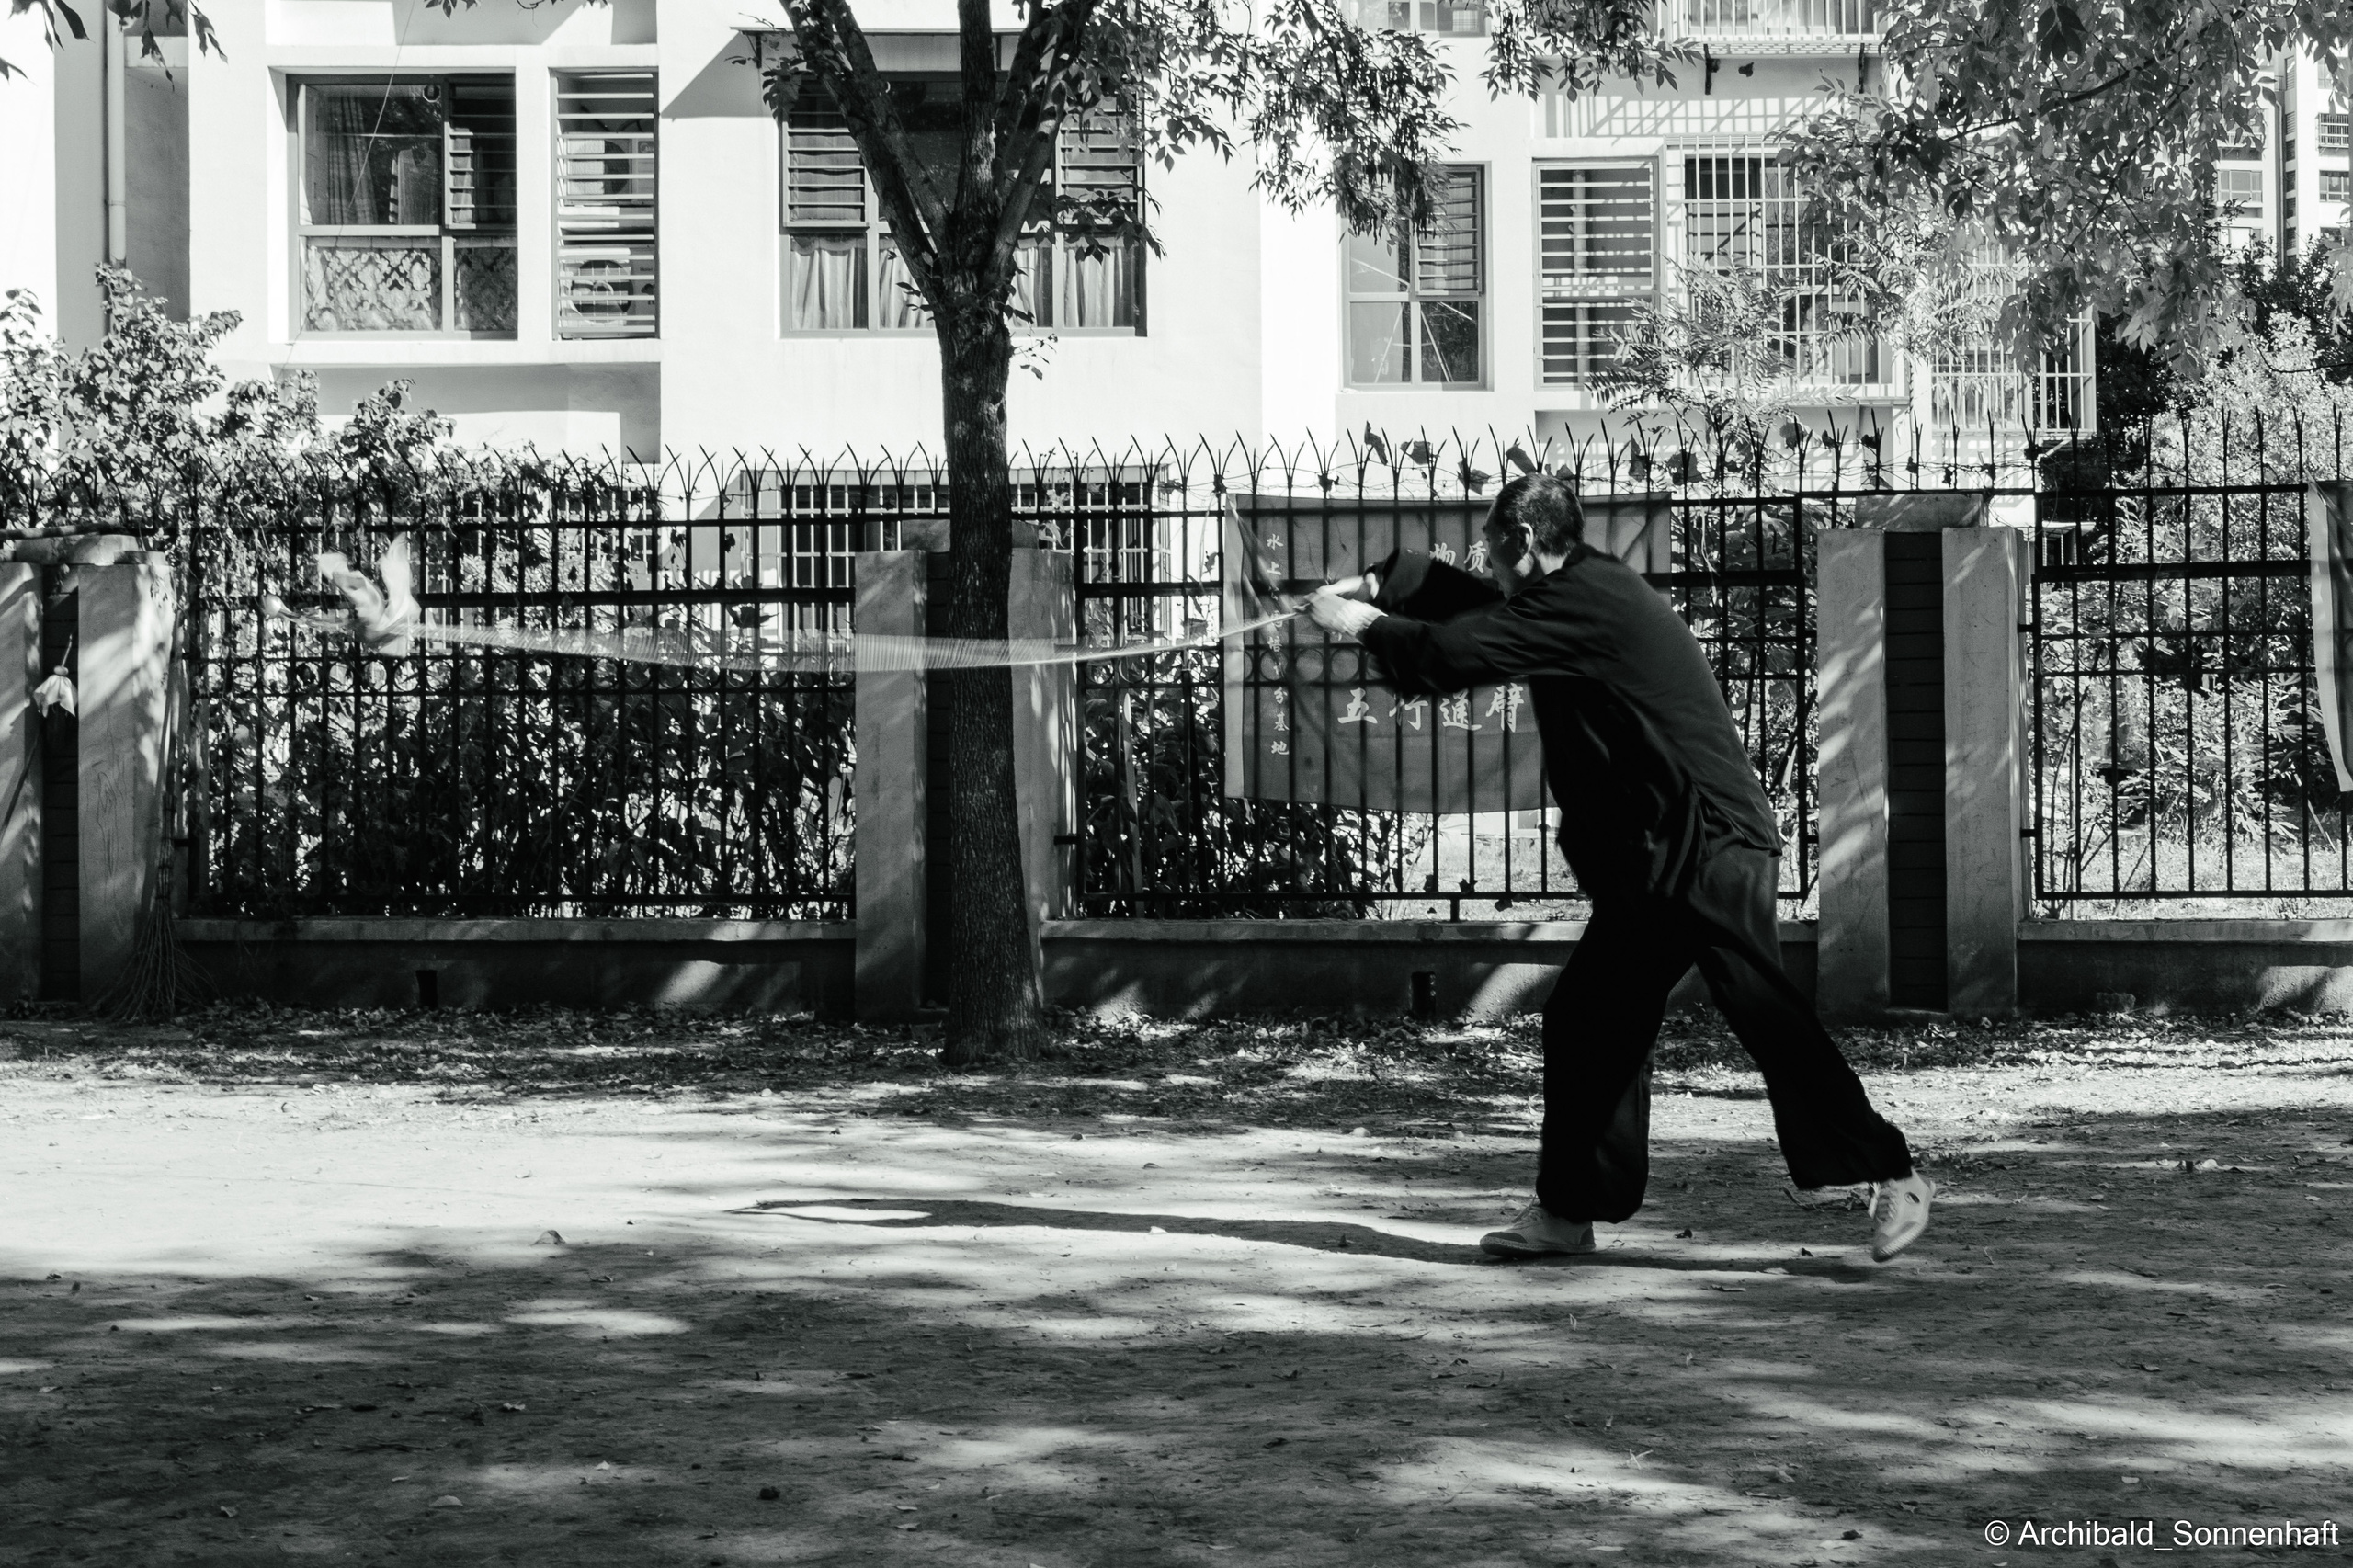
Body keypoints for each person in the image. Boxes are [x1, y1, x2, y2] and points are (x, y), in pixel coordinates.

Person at [1306, 473, 1932, 1263]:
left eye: (1495, 553)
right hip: (1654, 859)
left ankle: (1894, 1171)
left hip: (1709, 844)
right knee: (1589, 1017)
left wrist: (1360, 621)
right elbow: (1477, 607)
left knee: (1761, 1009)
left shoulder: (1588, 601)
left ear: (1525, 544)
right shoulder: (1569, 594)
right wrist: (1381, 580)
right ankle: (1569, 1213)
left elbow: (1452, 653)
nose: (1491, 567)